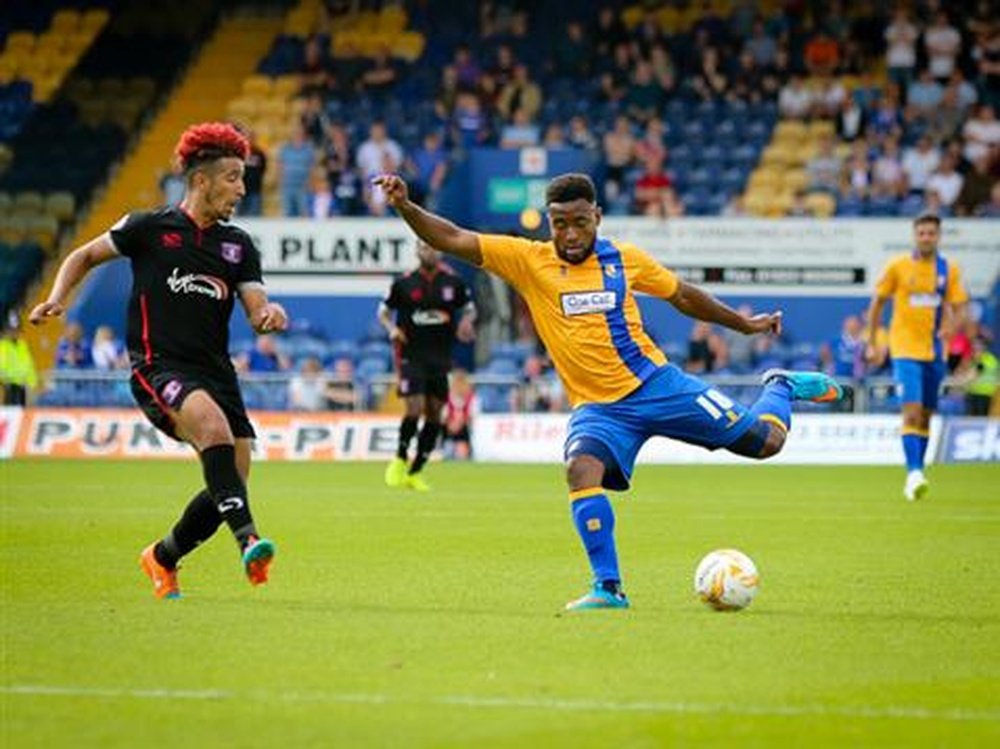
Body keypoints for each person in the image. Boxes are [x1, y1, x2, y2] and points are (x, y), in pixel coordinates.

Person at [374, 171, 844, 611]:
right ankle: (608, 587)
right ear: (550, 224)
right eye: (560, 225)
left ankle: (780, 385)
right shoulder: (528, 260)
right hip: (600, 409)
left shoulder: (625, 260)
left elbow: (681, 295)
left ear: (597, 216)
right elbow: (452, 237)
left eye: (580, 222)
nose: (571, 234)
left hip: (657, 385)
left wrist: (743, 324)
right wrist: (406, 207)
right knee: (581, 469)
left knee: (766, 443)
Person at [29, 122, 288, 599]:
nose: (242, 188)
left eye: (243, 178)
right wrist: (58, 297)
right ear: (201, 180)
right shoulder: (148, 228)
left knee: (231, 477)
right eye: (232, 177)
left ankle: (163, 557)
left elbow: (257, 309)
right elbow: (83, 256)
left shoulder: (238, 246)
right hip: (158, 366)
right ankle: (249, 540)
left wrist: (270, 315)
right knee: (212, 430)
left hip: (216, 372)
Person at [865, 214, 968, 502]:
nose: (926, 237)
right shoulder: (898, 266)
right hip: (904, 350)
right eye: (921, 233)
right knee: (910, 411)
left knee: (925, 416)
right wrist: (873, 341)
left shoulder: (949, 270)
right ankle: (913, 473)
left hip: (935, 352)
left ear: (938, 236)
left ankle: (917, 472)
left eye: (931, 233)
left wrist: (952, 326)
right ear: (915, 235)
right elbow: (877, 304)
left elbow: (960, 306)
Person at [378, 240, 476, 491]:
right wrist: (392, 329)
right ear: (417, 251)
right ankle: (400, 458)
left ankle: (416, 469)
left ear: (439, 250)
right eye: (423, 247)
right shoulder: (404, 283)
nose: (428, 251)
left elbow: (469, 309)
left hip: (440, 358)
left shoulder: (453, 282)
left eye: (431, 247)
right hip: (411, 355)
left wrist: (466, 321)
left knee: (435, 413)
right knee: (414, 407)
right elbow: (383, 312)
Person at [0, 313, 37, 405]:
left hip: (22, 386)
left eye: (16, 330)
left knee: (21, 411)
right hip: (7, 386)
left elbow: (29, 365)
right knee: (9, 413)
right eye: (11, 330)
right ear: (6, 331)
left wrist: (32, 383)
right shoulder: (2, 346)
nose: (14, 333)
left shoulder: (23, 346)